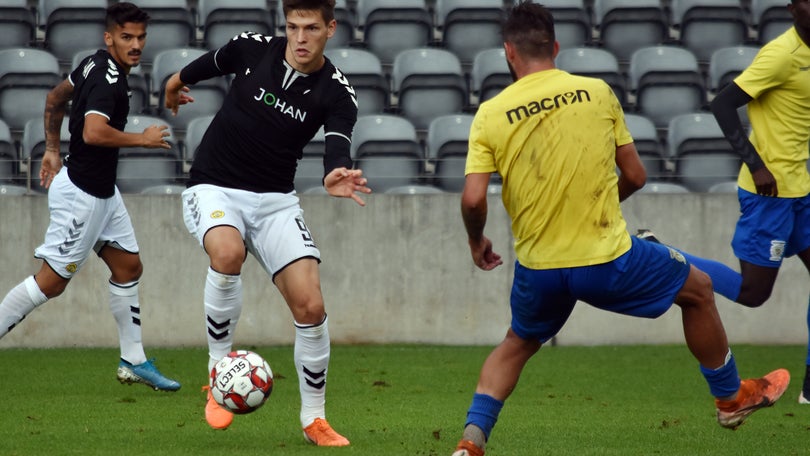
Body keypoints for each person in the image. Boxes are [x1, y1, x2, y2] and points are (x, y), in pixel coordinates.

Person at [450, 3, 790, 455]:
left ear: (508, 53)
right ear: (555, 46)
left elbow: (473, 199)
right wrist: (600, 208)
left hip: (539, 269)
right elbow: (636, 175)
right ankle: (731, 397)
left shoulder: (491, 114)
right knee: (699, 289)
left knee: (516, 343)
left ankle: (471, 442)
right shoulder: (596, 91)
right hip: (607, 258)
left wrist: (476, 240)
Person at [163, 0, 368, 446]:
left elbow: (338, 142)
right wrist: (173, 85)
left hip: (275, 203)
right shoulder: (251, 49)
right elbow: (196, 70)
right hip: (213, 187)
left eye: (311, 28)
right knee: (227, 252)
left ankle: (314, 420)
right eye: (293, 27)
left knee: (311, 306)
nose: (300, 38)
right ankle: (218, 375)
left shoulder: (337, 91)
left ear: (330, 29)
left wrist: (336, 171)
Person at [0, 3, 180, 392]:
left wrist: (50, 148)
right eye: (127, 37)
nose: (136, 45)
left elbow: (54, 97)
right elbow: (93, 133)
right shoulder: (107, 80)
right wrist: (142, 139)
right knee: (51, 283)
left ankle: (133, 360)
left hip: (102, 193)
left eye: (141, 37)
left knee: (129, 266)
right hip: (82, 196)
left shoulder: (91, 64)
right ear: (109, 37)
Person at [639, 0, 810, 404]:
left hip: (801, 189)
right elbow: (722, 104)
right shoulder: (781, 55)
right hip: (769, 193)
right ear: (791, 8)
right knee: (754, 293)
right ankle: (661, 253)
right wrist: (758, 164)